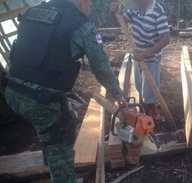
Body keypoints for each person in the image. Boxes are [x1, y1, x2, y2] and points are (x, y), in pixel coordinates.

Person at [0, 0, 127, 182]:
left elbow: (40, 51)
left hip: (11, 92)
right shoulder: (80, 25)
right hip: (39, 101)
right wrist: (117, 94)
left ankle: (49, 153)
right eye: (90, 6)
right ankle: (62, 173)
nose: (90, 11)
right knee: (62, 139)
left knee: (50, 127)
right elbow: (101, 67)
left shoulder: (34, 11)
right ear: (83, 3)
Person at [110, 0, 170, 119]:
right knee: (140, 88)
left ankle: (149, 117)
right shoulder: (135, 8)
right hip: (137, 57)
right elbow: (120, 23)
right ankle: (151, 112)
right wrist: (113, 12)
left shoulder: (157, 12)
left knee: (148, 93)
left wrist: (146, 53)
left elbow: (166, 39)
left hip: (151, 60)